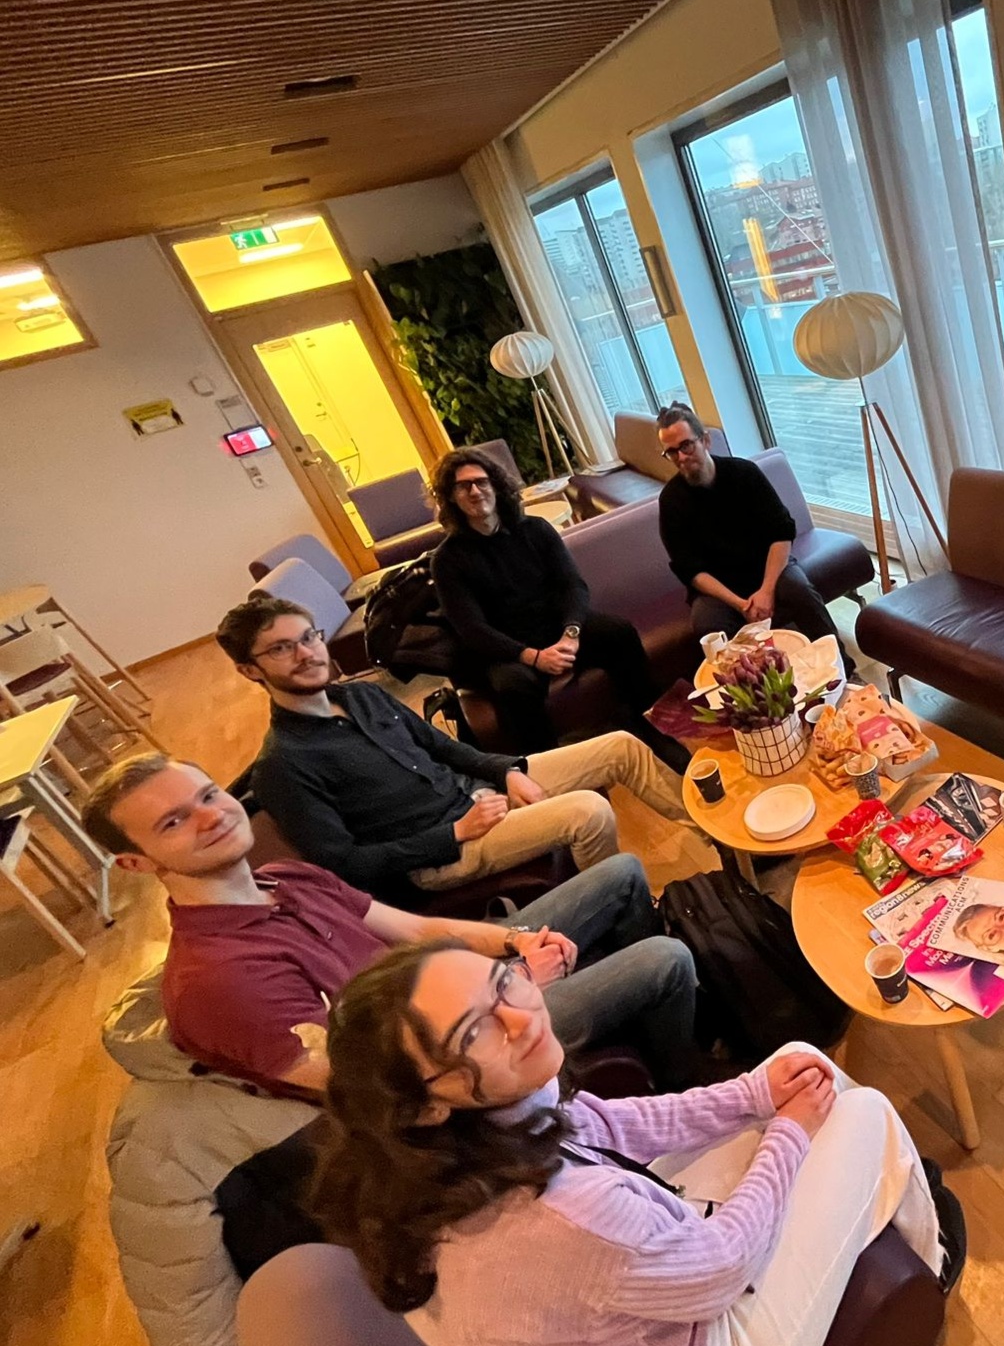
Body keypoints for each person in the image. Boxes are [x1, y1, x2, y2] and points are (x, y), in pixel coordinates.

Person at [307, 941, 965, 1346]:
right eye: (472, 1032)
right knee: (862, 1112)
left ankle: (888, 1192)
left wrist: (754, 1093)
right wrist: (790, 1132)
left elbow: (611, 1124)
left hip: (627, 1322)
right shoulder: (557, 1214)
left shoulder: (429, 1150)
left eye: (502, 981)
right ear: (424, 1103)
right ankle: (928, 1264)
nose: (520, 1016)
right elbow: (722, 1268)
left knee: (795, 1063)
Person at [79, 752, 708, 1095]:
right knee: (664, 960)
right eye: (173, 822)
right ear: (136, 862)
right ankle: (684, 1076)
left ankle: (656, 1029)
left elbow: (416, 931)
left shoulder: (285, 878)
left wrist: (515, 942)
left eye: (208, 795)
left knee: (621, 872)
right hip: (454, 1062)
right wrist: (515, 987)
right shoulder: (217, 981)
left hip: (457, 989)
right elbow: (378, 1088)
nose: (211, 817)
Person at [220, 596, 691, 899]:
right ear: (250, 670)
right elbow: (347, 865)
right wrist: (455, 833)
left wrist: (506, 771)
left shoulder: (361, 695)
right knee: (588, 812)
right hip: (442, 851)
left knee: (619, 746)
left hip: (474, 794)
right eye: (281, 649)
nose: (306, 654)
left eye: (308, 637)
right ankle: (629, 911)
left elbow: (443, 749)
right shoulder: (283, 764)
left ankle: (719, 836)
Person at [428, 445, 691, 770]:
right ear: (451, 497)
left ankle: (647, 722)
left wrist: (571, 633)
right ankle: (555, 766)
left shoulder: (535, 529)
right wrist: (533, 657)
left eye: (481, 482)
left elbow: (573, 586)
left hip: (558, 629)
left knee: (619, 632)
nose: (475, 491)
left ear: (495, 486)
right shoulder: (447, 560)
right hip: (510, 650)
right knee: (513, 687)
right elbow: (472, 629)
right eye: (463, 486)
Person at [655, 405, 842, 647]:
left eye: (686, 446)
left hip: (766, 568)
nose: (681, 457)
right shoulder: (671, 501)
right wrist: (740, 604)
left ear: (705, 440)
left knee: (799, 591)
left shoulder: (744, 474)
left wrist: (766, 590)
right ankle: (751, 673)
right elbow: (690, 571)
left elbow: (781, 532)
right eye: (671, 452)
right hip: (719, 589)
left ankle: (841, 662)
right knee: (708, 626)